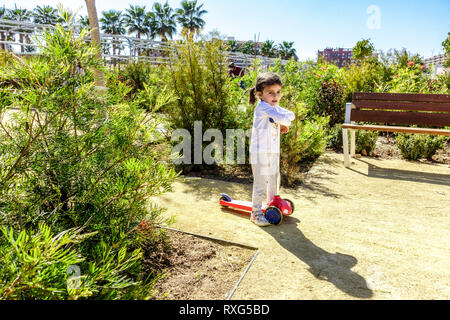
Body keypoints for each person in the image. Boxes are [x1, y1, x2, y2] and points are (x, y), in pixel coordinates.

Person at [248, 72, 295, 227]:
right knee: (260, 183)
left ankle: (271, 203)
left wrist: (284, 121)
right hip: (260, 152)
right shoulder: (263, 107)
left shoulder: (273, 107)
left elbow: (290, 115)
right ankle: (255, 213)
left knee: (274, 179)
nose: (275, 96)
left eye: (278, 92)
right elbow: (284, 117)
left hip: (272, 151)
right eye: (271, 93)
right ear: (260, 94)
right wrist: (284, 121)